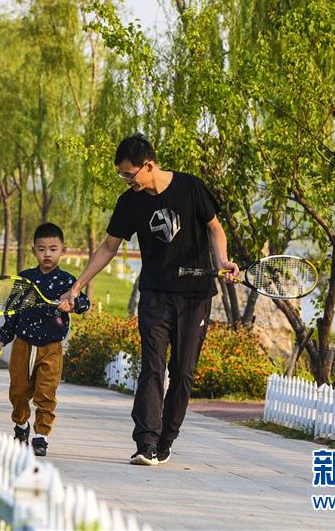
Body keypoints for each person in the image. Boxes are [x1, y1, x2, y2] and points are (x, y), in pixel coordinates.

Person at [58, 134, 238, 466]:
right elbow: (109, 248)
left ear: (149, 165)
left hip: (195, 297)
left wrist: (223, 260)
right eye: (122, 176)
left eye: (129, 174)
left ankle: (166, 438)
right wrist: (78, 285)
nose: (127, 181)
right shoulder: (130, 203)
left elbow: (215, 229)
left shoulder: (191, 188)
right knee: (152, 368)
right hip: (154, 295)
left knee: (183, 373)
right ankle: (146, 443)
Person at [0, 222, 90, 457]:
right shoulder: (24, 280)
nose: (47, 254)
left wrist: (73, 303)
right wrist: (2, 340)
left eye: (53, 249)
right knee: (18, 391)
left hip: (52, 348)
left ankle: (41, 436)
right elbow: (12, 313)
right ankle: (21, 425)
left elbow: (85, 304)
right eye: (42, 249)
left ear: (63, 250)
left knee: (46, 393)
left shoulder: (67, 282)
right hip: (23, 345)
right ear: (33, 250)